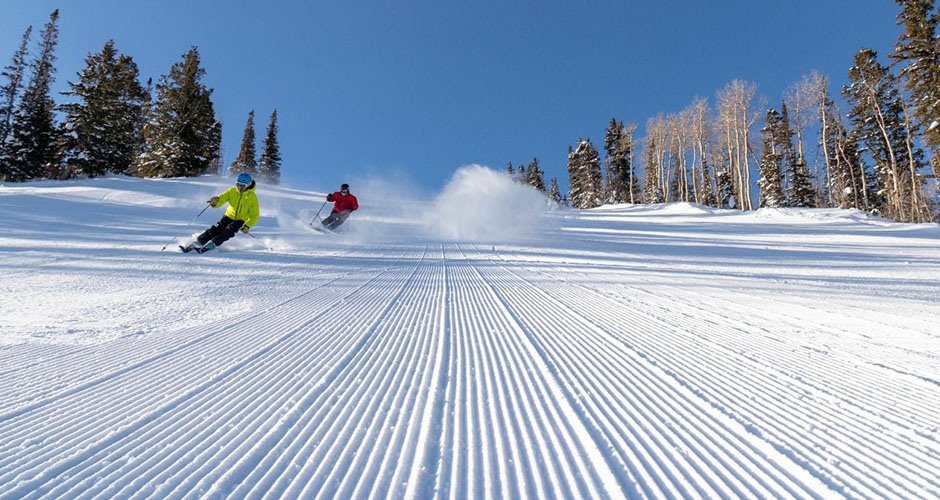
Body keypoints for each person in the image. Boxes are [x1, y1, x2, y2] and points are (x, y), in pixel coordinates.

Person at [182, 172, 260, 253]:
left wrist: (247, 226)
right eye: (238, 184)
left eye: (243, 185)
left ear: (248, 185)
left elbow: (255, 216)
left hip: (241, 220)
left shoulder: (252, 198)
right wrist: (215, 202)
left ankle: (213, 243)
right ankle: (198, 242)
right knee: (217, 228)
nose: (239, 187)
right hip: (229, 216)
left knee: (229, 230)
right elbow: (221, 199)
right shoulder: (232, 191)